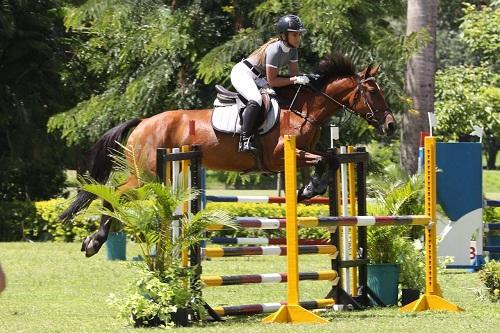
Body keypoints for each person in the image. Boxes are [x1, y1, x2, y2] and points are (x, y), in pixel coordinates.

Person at [231, 14, 310, 153]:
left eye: (299, 34)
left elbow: (294, 76)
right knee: (255, 99)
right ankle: (244, 140)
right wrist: (295, 79)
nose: (299, 38)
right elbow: (273, 81)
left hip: (260, 78)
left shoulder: (293, 51)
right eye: (295, 35)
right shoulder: (274, 49)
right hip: (243, 74)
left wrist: (308, 78)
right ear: (284, 36)